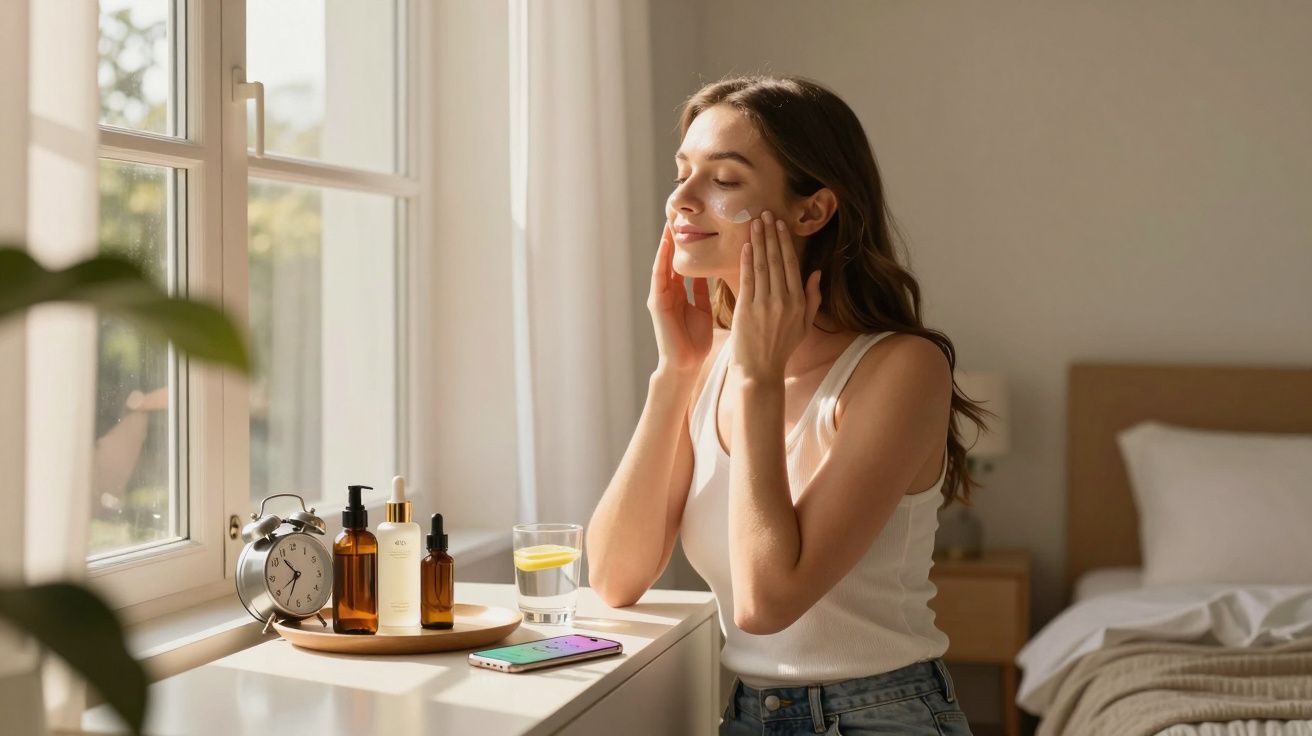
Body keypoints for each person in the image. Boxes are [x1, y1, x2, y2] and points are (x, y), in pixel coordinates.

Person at [586, 74, 993, 735]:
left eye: (723, 179)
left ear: (812, 211)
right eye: (682, 172)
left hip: (881, 718)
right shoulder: (712, 362)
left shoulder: (901, 369)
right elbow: (613, 577)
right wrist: (675, 372)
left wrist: (756, 380)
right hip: (748, 714)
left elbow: (767, 603)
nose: (680, 201)